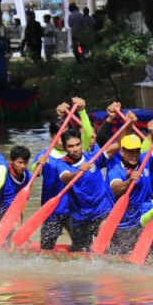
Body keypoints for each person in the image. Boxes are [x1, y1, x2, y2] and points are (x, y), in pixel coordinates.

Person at [57, 103, 133, 251]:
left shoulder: (93, 158)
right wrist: (78, 172)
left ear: (81, 144)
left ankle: (108, 257)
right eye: (71, 146)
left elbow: (118, 145)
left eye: (77, 145)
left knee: (106, 241)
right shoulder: (61, 164)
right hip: (80, 216)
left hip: (101, 210)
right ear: (65, 148)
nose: (75, 149)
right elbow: (65, 178)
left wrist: (127, 124)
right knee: (82, 254)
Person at [105, 109, 153, 254]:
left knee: (147, 256)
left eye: (136, 151)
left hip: (143, 218)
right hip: (123, 225)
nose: (134, 155)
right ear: (122, 151)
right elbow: (115, 188)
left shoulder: (145, 160)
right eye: (130, 151)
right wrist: (129, 181)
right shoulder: (116, 170)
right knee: (121, 260)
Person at [36, 99, 94, 250]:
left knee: (83, 248)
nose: (63, 140)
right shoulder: (44, 155)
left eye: (66, 135)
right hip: (51, 210)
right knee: (46, 250)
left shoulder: (75, 152)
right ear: (52, 137)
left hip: (74, 210)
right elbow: (33, 173)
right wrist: (38, 165)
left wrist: (82, 111)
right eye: (59, 135)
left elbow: (89, 134)